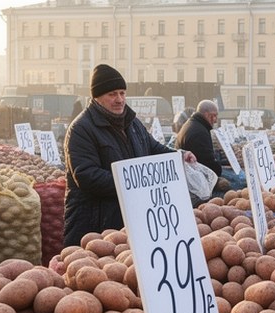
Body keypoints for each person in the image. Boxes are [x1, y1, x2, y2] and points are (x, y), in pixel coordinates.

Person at [64, 64, 195, 246]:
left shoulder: (132, 123)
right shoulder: (81, 129)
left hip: (129, 219)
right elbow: (86, 176)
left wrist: (179, 156)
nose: (119, 99)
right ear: (97, 97)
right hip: (94, 224)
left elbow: (153, 148)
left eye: (122, 93)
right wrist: (132, 182)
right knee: (98, 271)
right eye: (112, 94)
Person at [176, 100, 222, 176]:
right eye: (214, 115)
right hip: (194, 177)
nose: (216, 120)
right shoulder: (199, 132)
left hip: (189, 173)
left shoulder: (192, 124)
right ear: (206, 114)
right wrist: (219, 168)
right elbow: (209, 164)